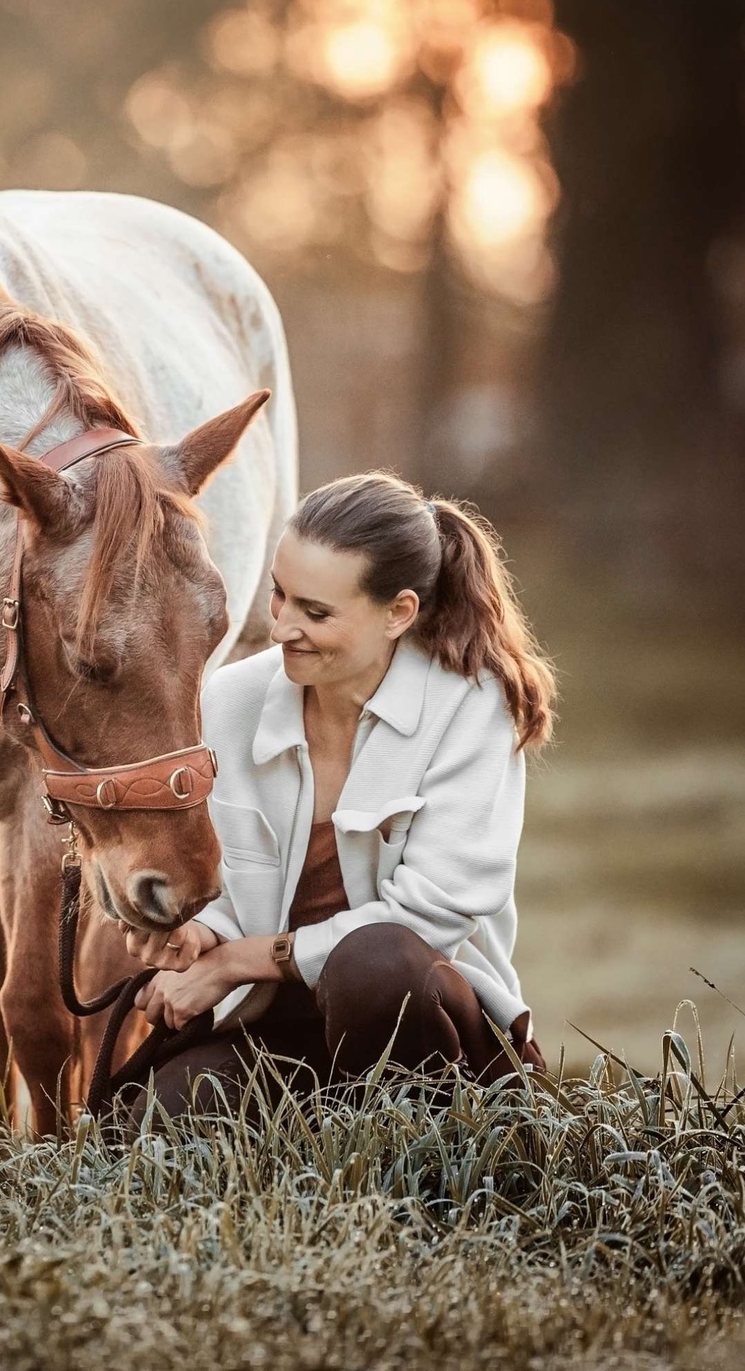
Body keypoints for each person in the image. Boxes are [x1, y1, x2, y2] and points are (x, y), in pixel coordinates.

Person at [124, 471, 557, 1121]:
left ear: (398, 613)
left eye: (316, 613)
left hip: (433, 1028)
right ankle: (321, 1135)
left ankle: (431, 1156)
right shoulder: (231, 701)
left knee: (375, 963)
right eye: (279, 597)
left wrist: (239, 962)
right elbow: (236, 890)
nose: (281, 629)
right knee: (157, 1121)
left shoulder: (470, 707)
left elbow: (431, 915)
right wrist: (196, 937)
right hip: (276, 1031)